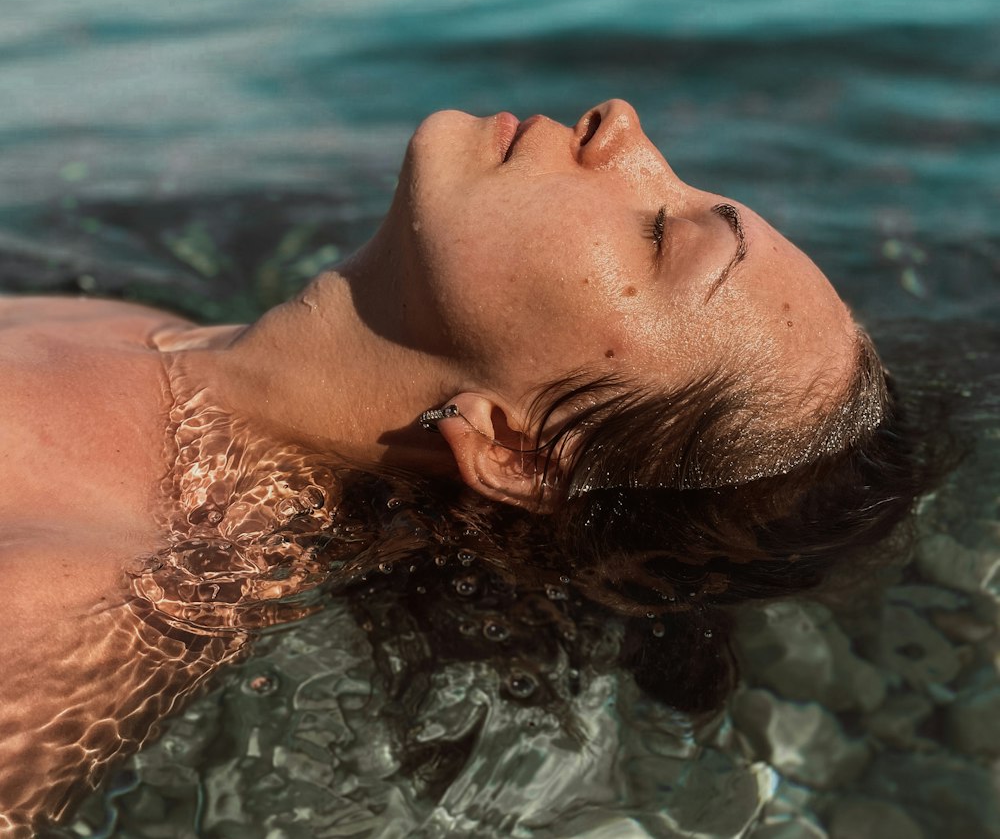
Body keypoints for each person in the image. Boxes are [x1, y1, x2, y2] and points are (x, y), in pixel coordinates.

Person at [0, 100, 931, 835]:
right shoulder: (152, 339)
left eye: (659, 237)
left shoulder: (77, 597)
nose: (624, 124)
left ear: (513, 448)